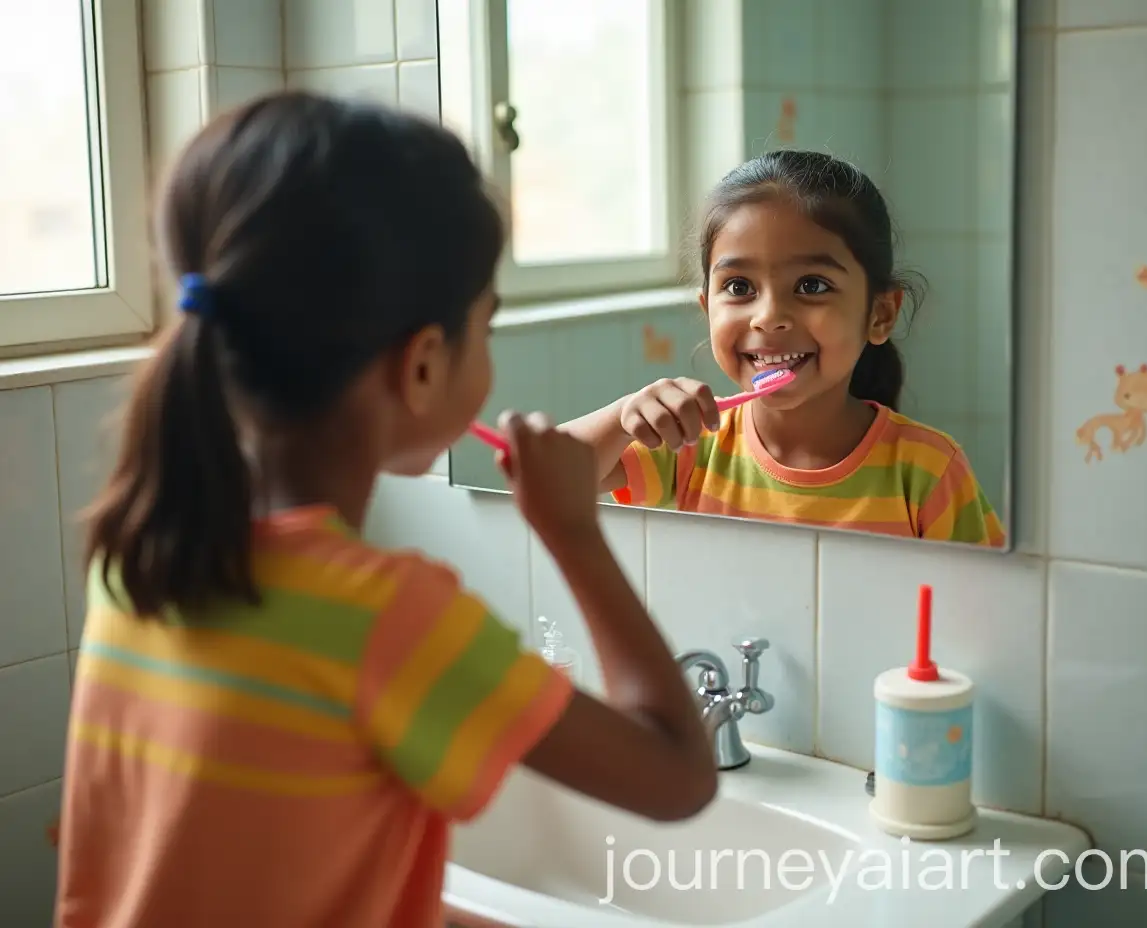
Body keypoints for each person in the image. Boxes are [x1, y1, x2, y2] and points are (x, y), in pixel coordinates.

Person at [54, 91, 716, 928]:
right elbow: (679, 778)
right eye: (488, 323)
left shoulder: (140, 561)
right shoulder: (391, 619)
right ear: (425, 365)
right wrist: (571, 532)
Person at [562, 150, 1005, 546]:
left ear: (880, 314)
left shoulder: (928, 471)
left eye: (812, 285)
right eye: (739, 287)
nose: (768, 316)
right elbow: (539, 475)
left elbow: (989, 609)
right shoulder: (693, 447)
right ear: (707, 308)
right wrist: (624, 416)